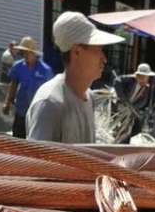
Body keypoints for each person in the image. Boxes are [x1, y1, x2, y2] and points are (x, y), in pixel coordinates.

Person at [26, 11, 124, 143]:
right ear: (77, 52)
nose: (104, 58)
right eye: (98, 49)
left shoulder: (88, 97)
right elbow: (36, 156)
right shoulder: (50, 103)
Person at [2, 37, 53, 139]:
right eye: (23, 52)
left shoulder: (45, 70)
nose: (25, 55)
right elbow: (13, 85)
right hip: (21, 111)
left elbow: (50, 92)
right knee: (17, 140)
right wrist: (7, 103)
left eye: (27, 52)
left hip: (37, 114)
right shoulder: (18, 67)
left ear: (34, 53)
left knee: (34, 141)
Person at [115, 62, 155, 141]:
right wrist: (123, 98)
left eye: (147, 77)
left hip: (132, 110)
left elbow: (144, 101)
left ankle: (123, 138)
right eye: (144, 77)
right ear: (139, 76)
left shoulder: (146, 88)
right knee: (125, 127)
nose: (146, 79)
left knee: (137, 128)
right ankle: (121, 141)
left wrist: (134, 108)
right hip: (121, 106)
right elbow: (117, 81)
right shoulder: (130, 80)